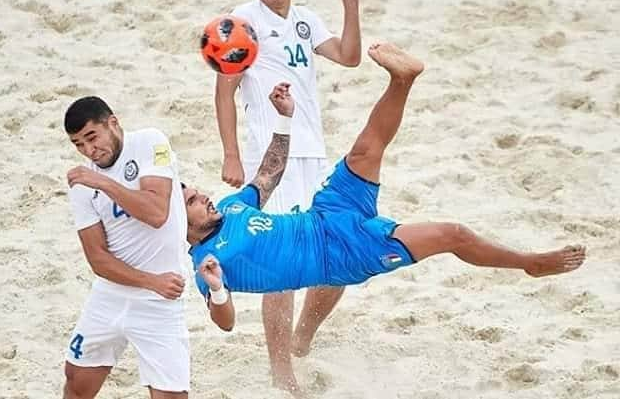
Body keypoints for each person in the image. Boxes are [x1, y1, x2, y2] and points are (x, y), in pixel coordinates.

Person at [185, 44, 587, 383]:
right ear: (180, 227)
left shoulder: (232, 206)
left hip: (326, 212)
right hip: (343, 252)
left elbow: (269, 173)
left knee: (365, 150)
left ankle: (403, 79)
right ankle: (529, 263)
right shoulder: (208, 262)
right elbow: (226, 323)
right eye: (190, 202)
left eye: (194, 191)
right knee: (453, 234)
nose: (202, 195)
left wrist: (286, 117)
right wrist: (219, 288)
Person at [214, 0, 361, 390]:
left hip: (313, 153)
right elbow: (224, 93)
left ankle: (302, 339)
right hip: (270, 156)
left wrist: (349, 5)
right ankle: (281, 371)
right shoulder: (241, 24)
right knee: (282, 263)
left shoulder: (305, 19)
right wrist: (233, 155)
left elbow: (350, 56)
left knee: (337, 255)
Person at [62, 96, 190, 399]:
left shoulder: (149, 142)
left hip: (160, 301)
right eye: (79, 145)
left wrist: (104, 183)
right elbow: (98, 259)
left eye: (92, 137)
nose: (89, 151)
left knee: (172, 396)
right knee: (76, 382)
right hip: (111, 295)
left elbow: (157, 213)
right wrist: (149, 281)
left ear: (113, 123)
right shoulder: (83, 184)